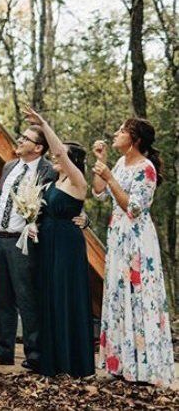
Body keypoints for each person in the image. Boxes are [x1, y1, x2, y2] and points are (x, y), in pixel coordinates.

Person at [93, 118, 174, 386]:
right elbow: (99, 193)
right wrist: (102, 163)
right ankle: (122, 364)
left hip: (137, 241)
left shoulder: (146, 168)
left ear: (135, 139)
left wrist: (110, 177)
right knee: (118, 296)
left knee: (138, 296)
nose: (116, 134)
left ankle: (144, 368)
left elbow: (134, 207)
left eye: (122, 131)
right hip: (117, 238)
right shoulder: (119, 163)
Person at [0, 125, 55, 371]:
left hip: (23, 242)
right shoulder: (9, 167)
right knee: (3, 298)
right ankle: (3, 350)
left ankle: (34, 353)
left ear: (39, 147)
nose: (19, 140)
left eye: (26, 139)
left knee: (26, 297)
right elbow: (0, 198)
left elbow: (49, 206)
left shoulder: (47, 171)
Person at [24, 107, 94, 378]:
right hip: (48, 242)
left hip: (67, 245)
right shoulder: (53, 182)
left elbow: (60, 152)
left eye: (60, 153)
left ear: (72, 160)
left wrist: (43, 123)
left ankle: (71, 360)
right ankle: (51, 359)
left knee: (66, 296)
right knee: (49, 296)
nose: (54, 155)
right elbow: (41, 208)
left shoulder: (78, 182)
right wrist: (34, 226)